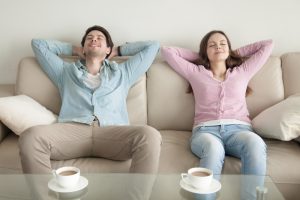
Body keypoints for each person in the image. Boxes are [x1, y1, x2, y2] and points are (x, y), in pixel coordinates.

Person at [19, 25, 162, 175]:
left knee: (150, 136)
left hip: (112, 133)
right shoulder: (64, 71)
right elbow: (38, 44)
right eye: (89, 38)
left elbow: (153, 46)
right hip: (73, 131)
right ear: (84, 49)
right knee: (30, 137)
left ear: (108, 49)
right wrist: (74, 49)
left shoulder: (123, 72)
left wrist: (119, 50)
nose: (94, 39)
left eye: (100, 38)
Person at [161, 30, 273, 177]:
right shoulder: (195, 72)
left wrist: (232, 53)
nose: (218, 47)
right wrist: (202, 56)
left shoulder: (243, 71)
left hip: (240, 131)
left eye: (222, 44)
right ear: (205, 51)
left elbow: (268, 44)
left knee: (256, 143)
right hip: (205, 132)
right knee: (214, 148)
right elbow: (166, 51)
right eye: (212, 45)